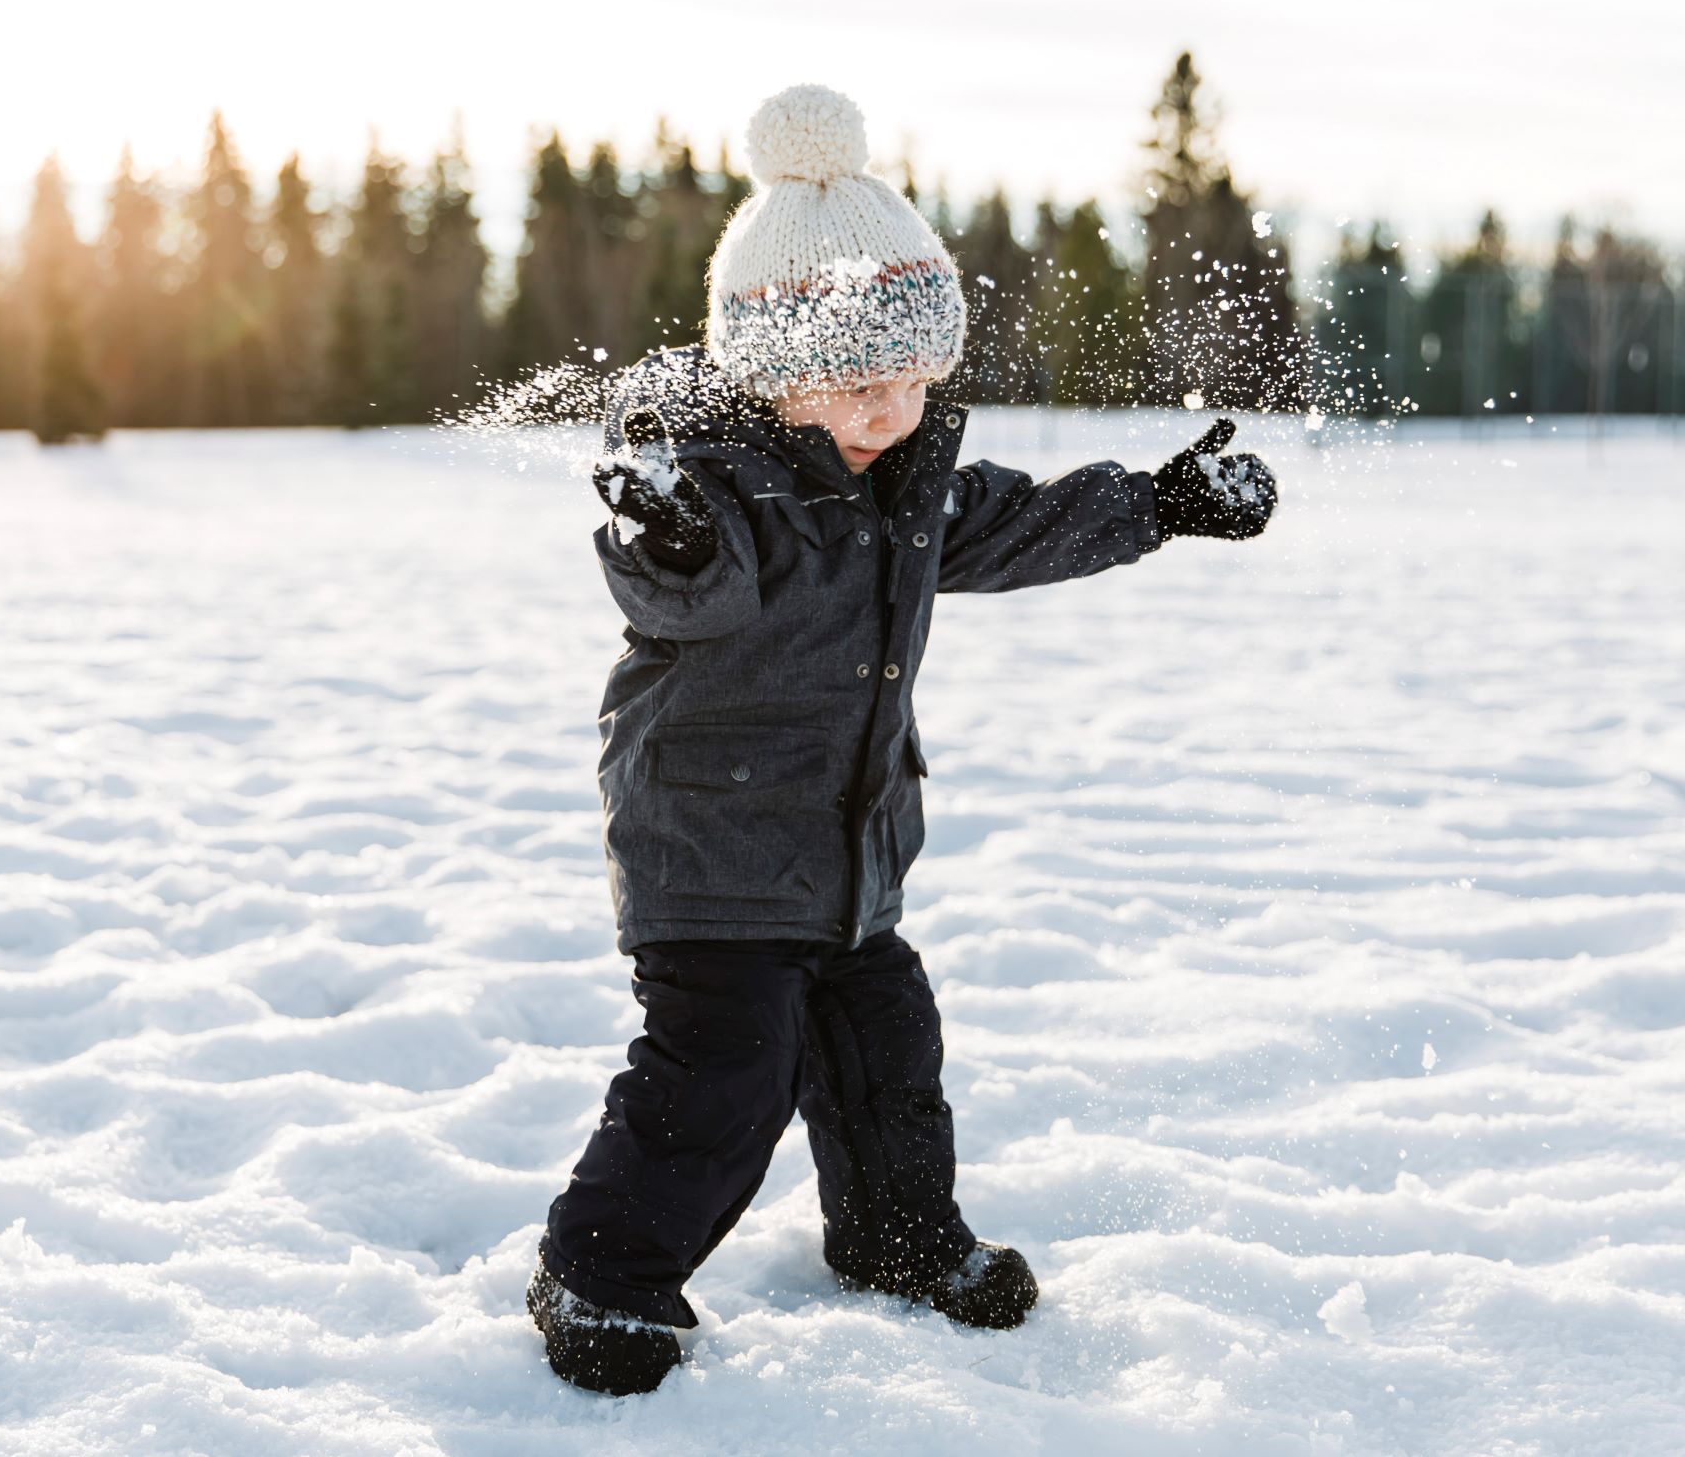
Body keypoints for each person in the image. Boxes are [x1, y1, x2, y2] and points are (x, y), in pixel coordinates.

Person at [527, 84, 1278, 1396]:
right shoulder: (715, 482)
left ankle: (897, 1239)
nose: (891, 413)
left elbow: (1026, 522)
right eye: (861, 385)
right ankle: (599, 1276)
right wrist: (670, 537)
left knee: (888, 1052)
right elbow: (677, 589)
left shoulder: (902, 483)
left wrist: (1158, 503)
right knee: (726, 1074)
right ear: (773, 370)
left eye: (916, 382)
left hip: (845, 851)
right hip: (711, 846)